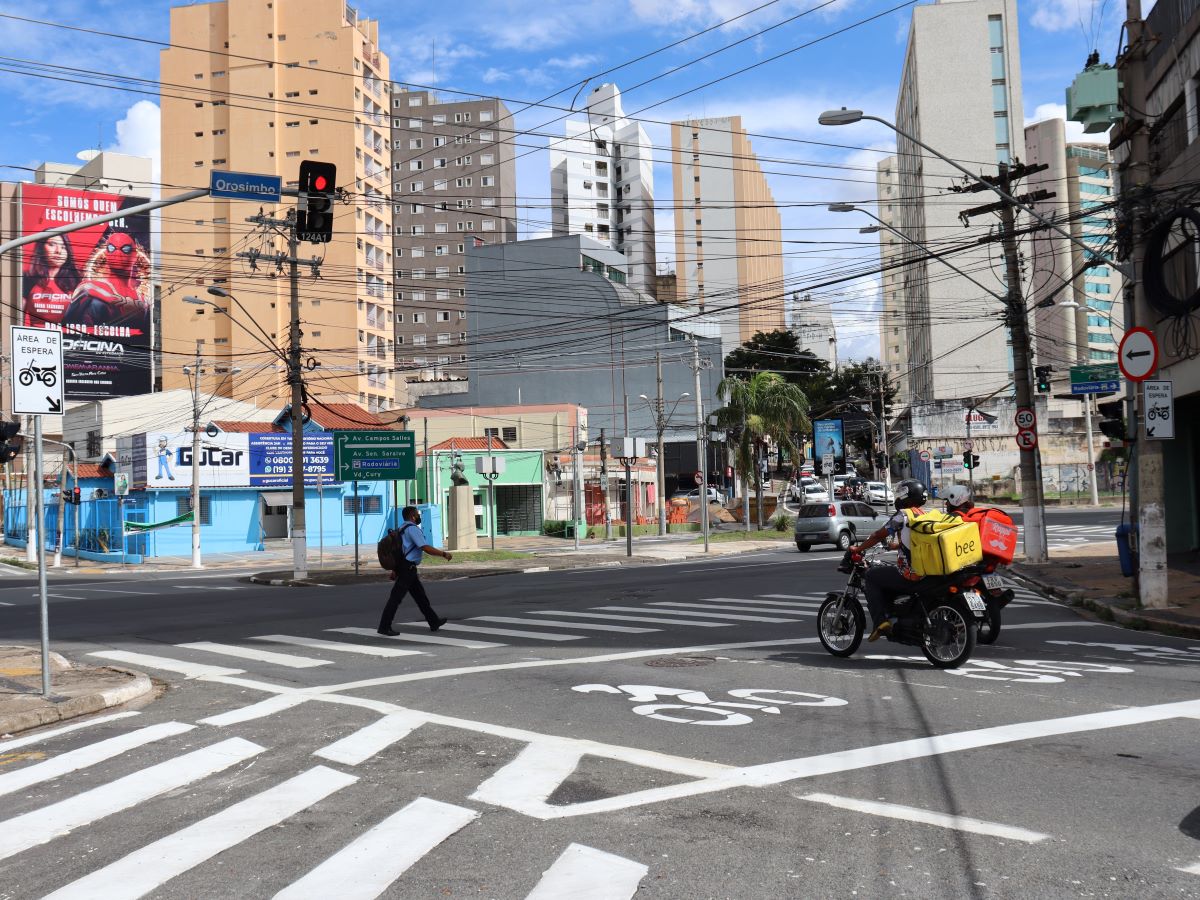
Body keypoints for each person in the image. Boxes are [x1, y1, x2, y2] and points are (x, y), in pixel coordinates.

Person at [849, 479, 929, 642]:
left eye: (901, 495)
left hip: (911, 573)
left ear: (907, 496)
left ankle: (881, 621)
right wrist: (896, 546)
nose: (898, 498)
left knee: (871, 576)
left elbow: (879, 535)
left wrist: (858, 549)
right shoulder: (926, 515)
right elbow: (916, 542)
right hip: (927, 570)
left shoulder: (903, 515)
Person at [378, 506, 451, 636]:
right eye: (417, 514)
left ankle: (433, 621)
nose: (418, 516)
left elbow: (399, 552)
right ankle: (384, 626)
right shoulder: (412, 529)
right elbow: (425, 547)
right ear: (412, 516)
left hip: (405, 567)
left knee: (420, 597)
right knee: (395, 598)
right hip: (407, 568)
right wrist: (443, 554)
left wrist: (395, 570)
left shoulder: (401, 529)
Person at [62, 231, 151, 330]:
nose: (117, 254)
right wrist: (110, 298)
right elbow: (68, 319)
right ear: (106, 252)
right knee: (97, 303)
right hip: (89, 340)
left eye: (125, 249)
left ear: (135, 254)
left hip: (132, 343)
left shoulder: (141, 298)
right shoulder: (90, 287)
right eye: (111, 248)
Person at [22, 234, 81, 327]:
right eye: (52, 244)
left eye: (63, 247)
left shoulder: (77, 280)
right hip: (36, 338)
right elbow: (16, 316)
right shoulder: (28, 278)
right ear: (41, 248)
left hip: (70, 338)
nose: (58, 251)